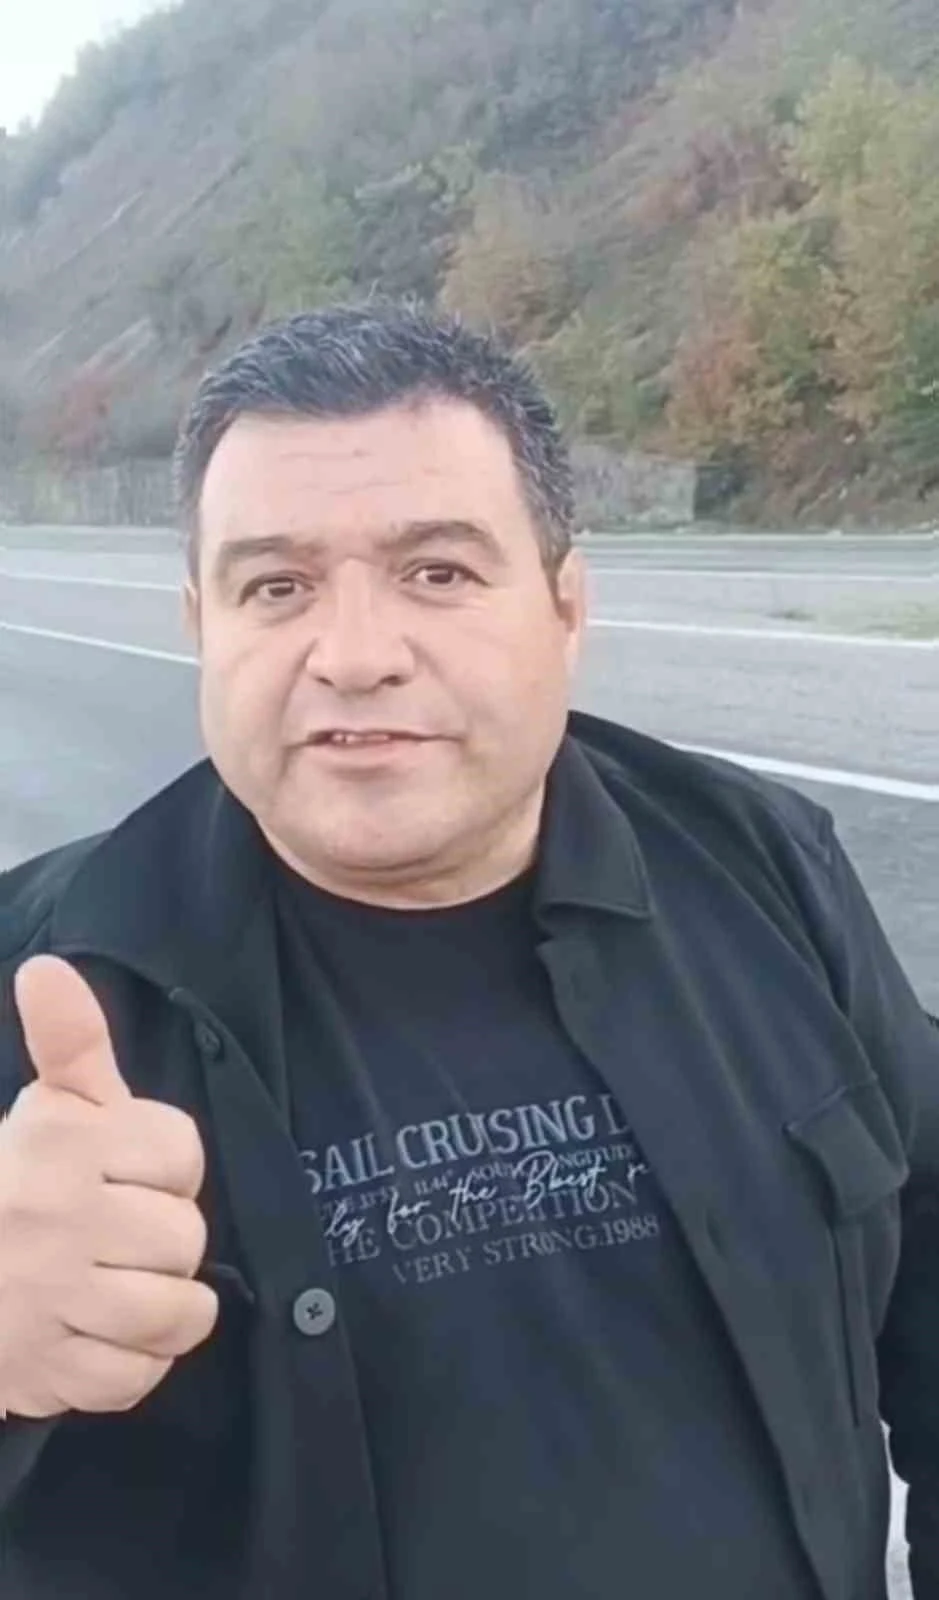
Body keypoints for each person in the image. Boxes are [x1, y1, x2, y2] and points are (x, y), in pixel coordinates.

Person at [0, 302, 936, 1600]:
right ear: (202, 625)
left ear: (565, 607)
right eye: (276, 587)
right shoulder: (46, 980)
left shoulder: (763, 867)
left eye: (437, 572)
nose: (355, 656)